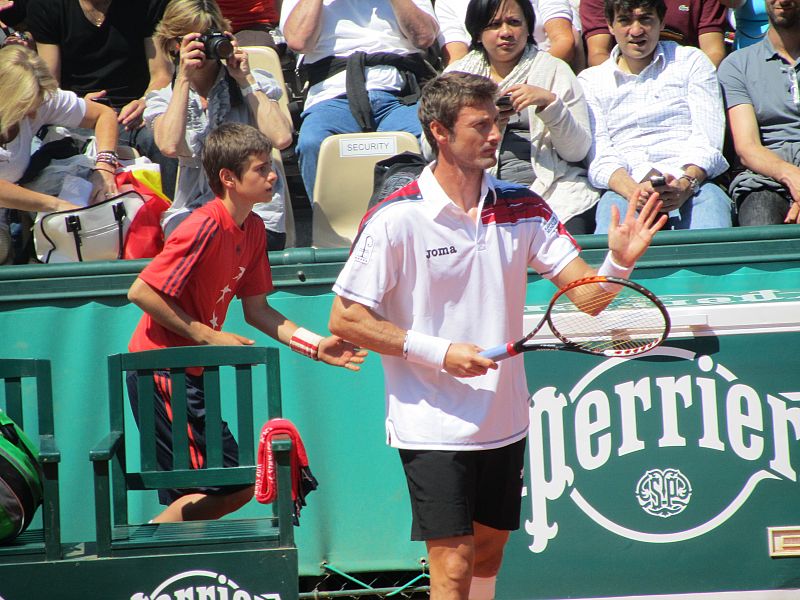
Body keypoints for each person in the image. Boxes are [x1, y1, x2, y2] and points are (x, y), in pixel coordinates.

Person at [328, 71, 666, 600]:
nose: (495, 136)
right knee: (454, 565)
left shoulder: (524, 206)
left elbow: (588, 299)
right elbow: (345, 320)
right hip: (431, 426)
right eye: (480, 125)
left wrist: (618, 262)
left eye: (499, 123)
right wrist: (440, 353)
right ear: (439, 132)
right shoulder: (395, 219)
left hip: (504, 420)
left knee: (488, 555)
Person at [127, 122, 365, 523]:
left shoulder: (254, 228)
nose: (273, 175)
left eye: (270, 165)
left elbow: (258, 310)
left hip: (189, 373)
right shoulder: (202, 224)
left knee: (215, 489)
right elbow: (141, 292)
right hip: (161, 371)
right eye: (261, 169)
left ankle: (161, 566)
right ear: (228, 179)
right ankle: (141, 560)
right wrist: (206, 335)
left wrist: (317, 346)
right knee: (232, 484)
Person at [146, 0, 293, 250]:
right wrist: (183, 78)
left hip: (255, 213)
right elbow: (169, 146)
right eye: (195, 40)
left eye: (209, 37)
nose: (204, 48)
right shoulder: (165, 98)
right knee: (189, 244)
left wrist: (245, 80)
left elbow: (281, 138)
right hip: (193, 212)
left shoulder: (250, 83)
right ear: (173, 43)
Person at [444, 0, 599, 234]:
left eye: (514, 22)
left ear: (528, 28)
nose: (506, 32)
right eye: (494, 25)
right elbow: (431, 148)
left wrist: (549, 104)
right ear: (477, 34)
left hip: (555, 188)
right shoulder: (455, 78)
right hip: (476, 192)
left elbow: (577, 151)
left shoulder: (555, 70)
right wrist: (486, 123)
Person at [578, 0, 733, 233]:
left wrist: (685, 184)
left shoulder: (691, 62)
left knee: (710, 234)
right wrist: (634, 191)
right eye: (625, 20)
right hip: (626, 186)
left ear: (661, 22)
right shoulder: (591, 81)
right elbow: (600, 158)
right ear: (610, 25)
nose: (636, 30)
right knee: (615, 234)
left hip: (693, 184)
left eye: (646, 19)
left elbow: (708, 139)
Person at [280, 0, 439, 203]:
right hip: (332, 96)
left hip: (399, 95)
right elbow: (298, 41)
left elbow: (424, 37)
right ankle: (328, 230)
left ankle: (426, 224)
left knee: (433, 139)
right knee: (313, 142)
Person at [25, 0, 178, 198]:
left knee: (163, 141)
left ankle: (171, 216)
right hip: (81, 113)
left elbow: (161, 75)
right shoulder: (48, 6)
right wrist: (77, 104)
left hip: (135, 111)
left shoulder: (148, 4)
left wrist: (145, 101)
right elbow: (51, 86)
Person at [0, 45, 118, 262]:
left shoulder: (40, 99)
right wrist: (55, 205)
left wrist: (104, 166)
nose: (35, 112)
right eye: (27, 105)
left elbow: (103, 115)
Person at [717, 0, 800, 226]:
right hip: (763, 177)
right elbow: (747, 147)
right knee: (759, 217)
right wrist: (791, 175)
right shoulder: (736, 66)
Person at [435, 0, 582, 71]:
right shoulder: (447, 2)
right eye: (494, 24)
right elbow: (457, 58)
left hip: (544, 70)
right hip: (483, 82)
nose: (505, 32)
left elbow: (565, 42)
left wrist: (523, 77)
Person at [580, 0, 728, 67]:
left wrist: (688, 77)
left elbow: (713, 52)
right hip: (625, 72)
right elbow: (598, 53)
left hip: (683, 71)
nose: (636, 30)